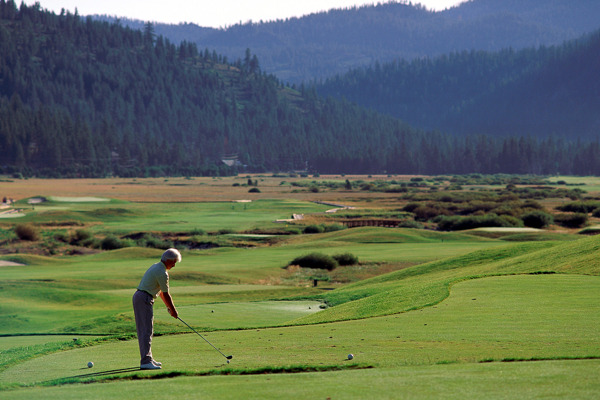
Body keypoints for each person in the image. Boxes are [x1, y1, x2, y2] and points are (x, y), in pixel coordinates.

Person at [132, 248, 181, 370]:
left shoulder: (157, 267)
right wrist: (173, 310)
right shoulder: (162, 273)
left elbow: (162, 294)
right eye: (174, 262)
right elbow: (166, 294)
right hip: (144, 298)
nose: (174, 265)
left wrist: (169, 308)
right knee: (145, 330)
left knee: (147, 329)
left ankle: (149, 358)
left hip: (141, 297)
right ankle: (145, 362)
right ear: (168, 260)